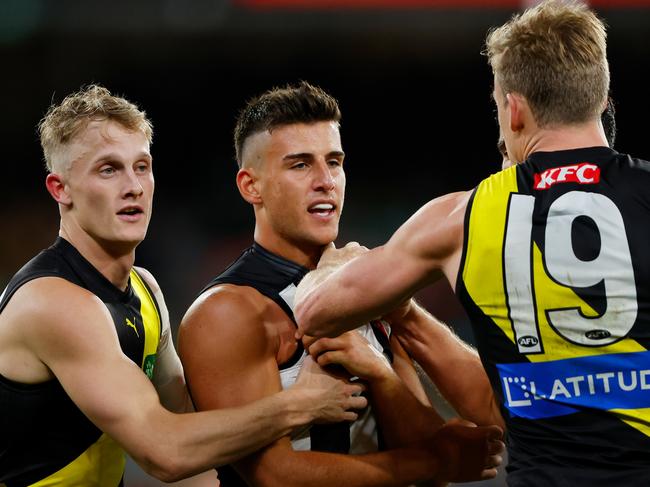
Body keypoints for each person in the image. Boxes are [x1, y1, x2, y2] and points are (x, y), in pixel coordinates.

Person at [294, 1, 650, 485]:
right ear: (601, 97)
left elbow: (314, 311)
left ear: (514, 109)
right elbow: (493, 401)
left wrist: (343, 262)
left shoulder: (463, 218)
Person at [0, 85, 371, 486]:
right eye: (109, 169)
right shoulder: (52, 302)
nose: (134, 187)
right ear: (61, 189)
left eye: (141, 166)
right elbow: (167, 453)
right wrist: (301, 404)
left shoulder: (144, 290)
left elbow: (195, 435)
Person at [178, 81, 504, 487]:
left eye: (333, 162)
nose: (325, 180)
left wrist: (381, 376)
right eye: (300, 165)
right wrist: (436, 461)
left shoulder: (368, 290)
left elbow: (429, 457)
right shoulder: (227, 312)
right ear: (251, 186)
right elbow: (274, 477)